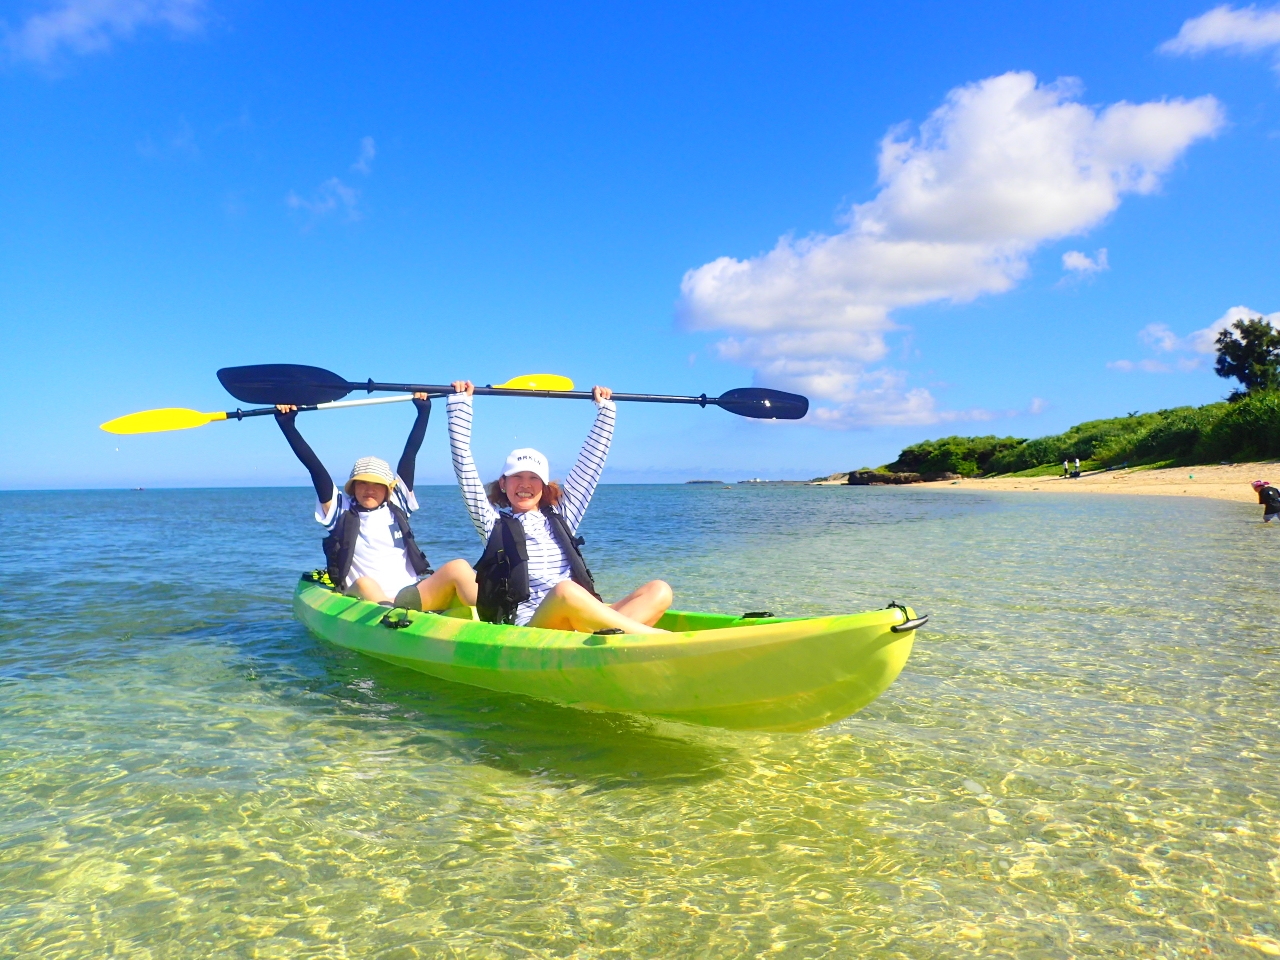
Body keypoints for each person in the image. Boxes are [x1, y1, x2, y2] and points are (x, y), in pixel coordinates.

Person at [446, 380, 672, 634]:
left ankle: (610, 636)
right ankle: (653, 638)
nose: (525, 485)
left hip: (577, 619)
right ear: (503, 483)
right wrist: (460, 405)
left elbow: (589, 466)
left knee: (659, 590)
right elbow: (463, 467)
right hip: (535, 628)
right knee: (565, 591)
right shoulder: (493, 524)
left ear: (544, 486)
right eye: (517, 477)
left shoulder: (561, 517)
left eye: (534, 478)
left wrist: (605, 412)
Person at [274, 395, 478, 609]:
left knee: (459, 567)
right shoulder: (340, 510)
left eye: (376, 484)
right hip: (363, 597)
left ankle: (498, 620)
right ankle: (391, 622)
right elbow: (315, 468)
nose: (369, 489)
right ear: (353, 487)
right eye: (362, 483)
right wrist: (289, 426)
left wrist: (423, 412)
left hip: (409, 595)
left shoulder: (397, 503)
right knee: (366, 583)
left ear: (387, 489)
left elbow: (410, 454)